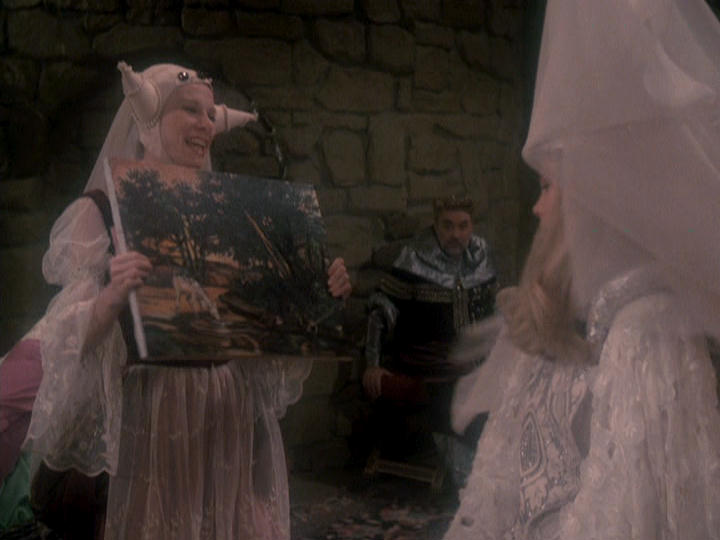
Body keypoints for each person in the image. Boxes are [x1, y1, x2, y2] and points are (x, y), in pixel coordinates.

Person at [21, 61, 351, 540]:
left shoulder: (230, 210)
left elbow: (260, 330)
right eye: (190, 111)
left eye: (210, 115)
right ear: (150, 120)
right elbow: (66, 343)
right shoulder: (101, 211)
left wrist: (318, 294)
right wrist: (111, 297)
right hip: (155, 415)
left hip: (227, 415)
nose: (205, 125)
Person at [444, 0, 720, 538]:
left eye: (547, 186)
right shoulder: (573, 311)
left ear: (597, 200)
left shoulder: (646, 329)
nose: (537, 208)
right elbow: (502, 488)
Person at [360, 196, 496, 477]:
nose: (455, 234)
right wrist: (372, 363)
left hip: (473, 360)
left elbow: (494, 309)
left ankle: (494, 472)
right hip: (426, 365)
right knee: (461, 395)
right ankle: (469, 475)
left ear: (472, 226)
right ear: (435, 225)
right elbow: (380, 311)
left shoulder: (481, 256)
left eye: (463, 226)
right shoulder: (413, 257)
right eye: (447, 225)